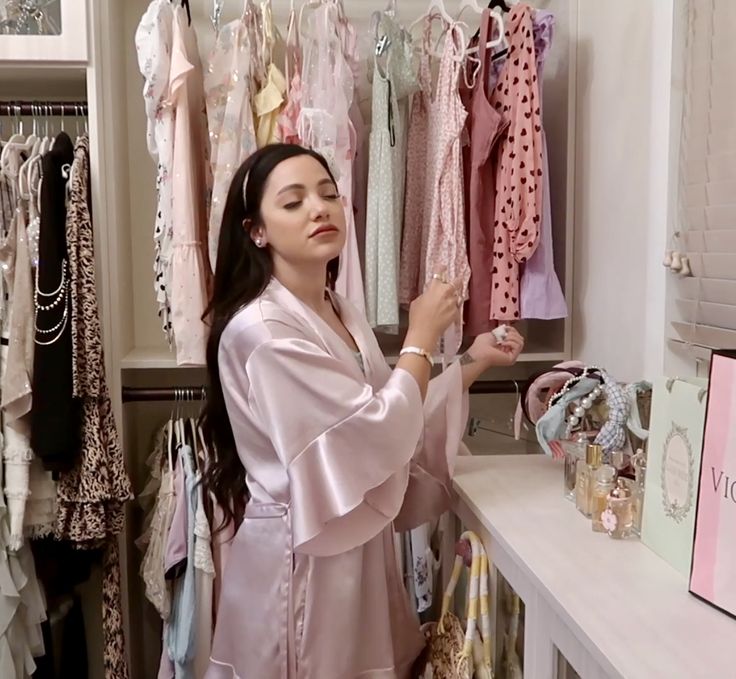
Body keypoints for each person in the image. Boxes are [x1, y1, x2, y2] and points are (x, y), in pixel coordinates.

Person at [201, 143, 524, 679]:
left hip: (353, 553)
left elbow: (391, 411)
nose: (319, 209)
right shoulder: (261, 332)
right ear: (256, 230)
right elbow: (375, 433)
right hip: (303, 559)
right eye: (294, 201)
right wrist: (421, 334)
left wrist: (472, 360)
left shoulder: (339, 311)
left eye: (329, 194)